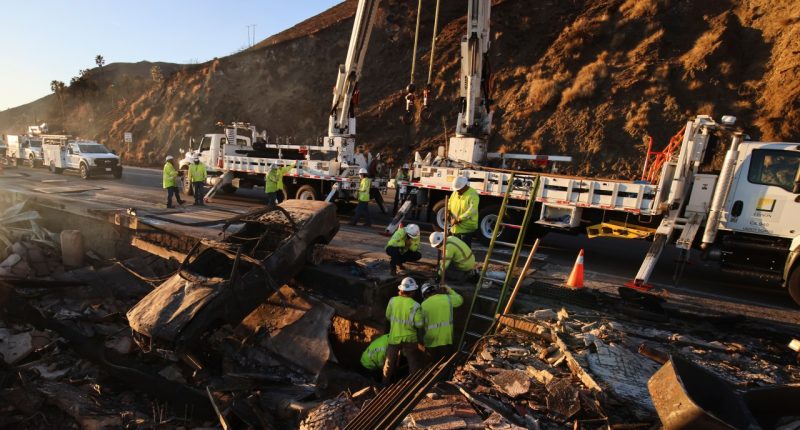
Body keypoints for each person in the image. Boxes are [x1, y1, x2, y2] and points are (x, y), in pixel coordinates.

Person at [383, 277, 424, 385]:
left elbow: (387, 316)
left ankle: (384, 384)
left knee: (389, 363)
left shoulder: (392, 301)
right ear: (412, 292)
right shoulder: (416, 305)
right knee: (413, 363)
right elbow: (420, 324)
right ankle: (412, 385)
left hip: (394, 338)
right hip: (409, 339)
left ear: (401, 290)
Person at [420, 283, 463, 362]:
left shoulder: (423, 305)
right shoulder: (447, 298)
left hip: (431, 341)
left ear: (424, 294)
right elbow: (460, 300)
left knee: (432, 365)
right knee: (446, 364)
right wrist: (450, 290)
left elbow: (419, 324)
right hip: (446, 339)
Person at [448, 176, 480, 247]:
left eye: (459, 189)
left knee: (464, 249)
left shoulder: (473, 194)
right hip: (455, 227)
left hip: (466, 228)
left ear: (465, 186)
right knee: (455, 248)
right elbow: (450, 202)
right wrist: (448, 211)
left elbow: (472, 210)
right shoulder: (455, 193)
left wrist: (459, 219)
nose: (457, 191)